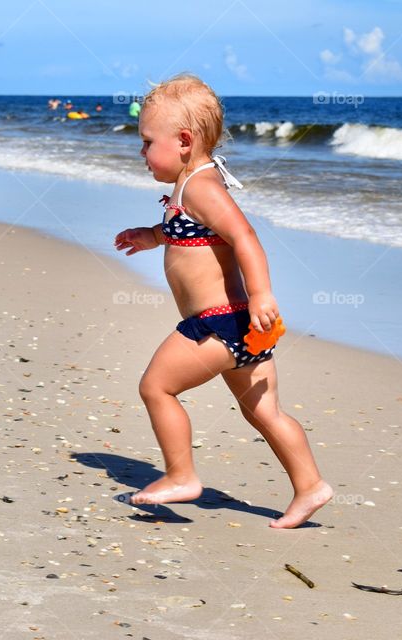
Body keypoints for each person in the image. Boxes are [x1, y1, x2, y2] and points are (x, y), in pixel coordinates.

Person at [113, 74, 332, 529]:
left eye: (148, 141)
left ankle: (181, 475)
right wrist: (151, 236)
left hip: (219, 323)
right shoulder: (191, 183)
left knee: (156, 388)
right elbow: (192, 234)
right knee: (264, 411)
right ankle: (311, 486)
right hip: (241, 328)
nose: (141, 152)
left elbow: (244, 237)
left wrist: (262, 295)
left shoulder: (201, 187)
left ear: (184, 141)